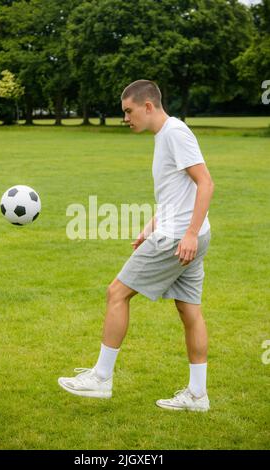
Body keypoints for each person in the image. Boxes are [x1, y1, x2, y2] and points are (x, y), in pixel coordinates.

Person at [58, 80, 215, 412]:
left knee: (116, 292)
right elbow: (176, 193)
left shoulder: (174, 133)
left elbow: (206, 183)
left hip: (179, 238)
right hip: (188, 233)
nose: (125, 118)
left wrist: (187, 233)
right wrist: (149, 226)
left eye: (128, 111)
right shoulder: (165, 136)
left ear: (148, 106)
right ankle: (198, 396)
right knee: (189, 310)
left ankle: (100, 378)